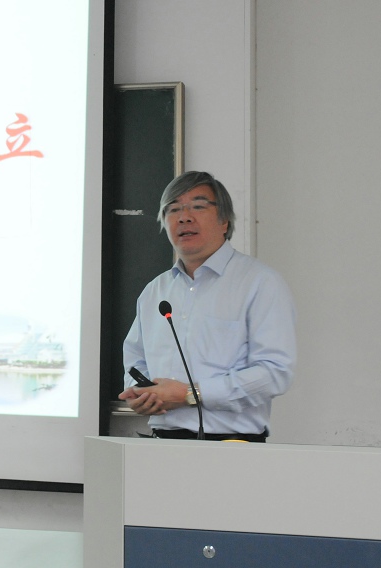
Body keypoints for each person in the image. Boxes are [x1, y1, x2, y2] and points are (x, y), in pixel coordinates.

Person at [118, 171, 296, 441]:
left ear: (224, 221)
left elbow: (275, 372)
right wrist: (141, 393)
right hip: (162, 444)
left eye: (198, 207)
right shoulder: (155, 291)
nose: (184, 217)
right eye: (173, 209)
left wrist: (191, 394)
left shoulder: (259, 283)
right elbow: (136, 360)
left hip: (232, 445)